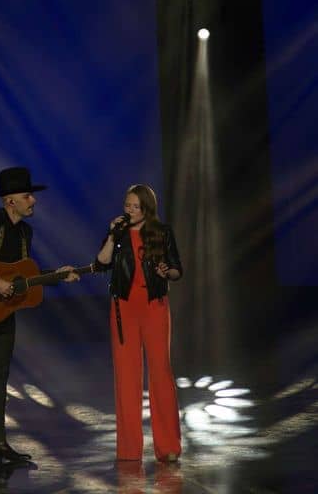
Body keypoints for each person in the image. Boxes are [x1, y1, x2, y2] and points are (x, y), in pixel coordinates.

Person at [0, 167, 78, 473]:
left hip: (4, 312)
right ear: (10, 201)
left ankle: (1, 443)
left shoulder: (25, 233)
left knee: (1, 376)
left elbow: (24, 276)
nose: (32, 200)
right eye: (26, 196)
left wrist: (58, 276)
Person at [94, 184, 182, 463]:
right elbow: (101, 262)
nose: (129, 210)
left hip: (154, 307)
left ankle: (168, 446)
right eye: (127, 205)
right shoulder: (118, 234)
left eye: (135, 206)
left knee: (161, 373)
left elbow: (177, 268)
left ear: (147, 208)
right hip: (123, 309)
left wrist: (168, 271)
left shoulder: (162, 232)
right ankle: (130, 449)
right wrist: (111, 234)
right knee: (126, 376)